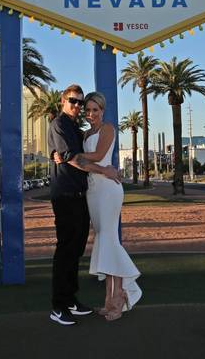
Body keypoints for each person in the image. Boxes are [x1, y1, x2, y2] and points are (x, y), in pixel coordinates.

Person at [48, 84, 120, 326]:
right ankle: (59, 306)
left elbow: (77, 154)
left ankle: (70, 300)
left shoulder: (78, 130)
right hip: (65, 194)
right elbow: (74, 158)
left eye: (81, 103)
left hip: (82, 194)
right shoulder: (59, 124)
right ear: (62, 101)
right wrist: (103, 170)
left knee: (76, 249)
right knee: (66, 249)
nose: (78, 106)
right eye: (74, 101)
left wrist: (61, 155)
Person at [80, 91, 142, 321]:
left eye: (95, 110)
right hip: (92, 192)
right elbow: (83, 164)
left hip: (108, 190)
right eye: (87, 110)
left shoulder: (108, 129)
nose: (91, 114)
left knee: (109, 240)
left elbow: (97, 156)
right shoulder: (86, 133)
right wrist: (77, 160)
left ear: (102, 111)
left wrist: (72, 156)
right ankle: (109, 299)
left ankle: (120, 297)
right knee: (104, 240)